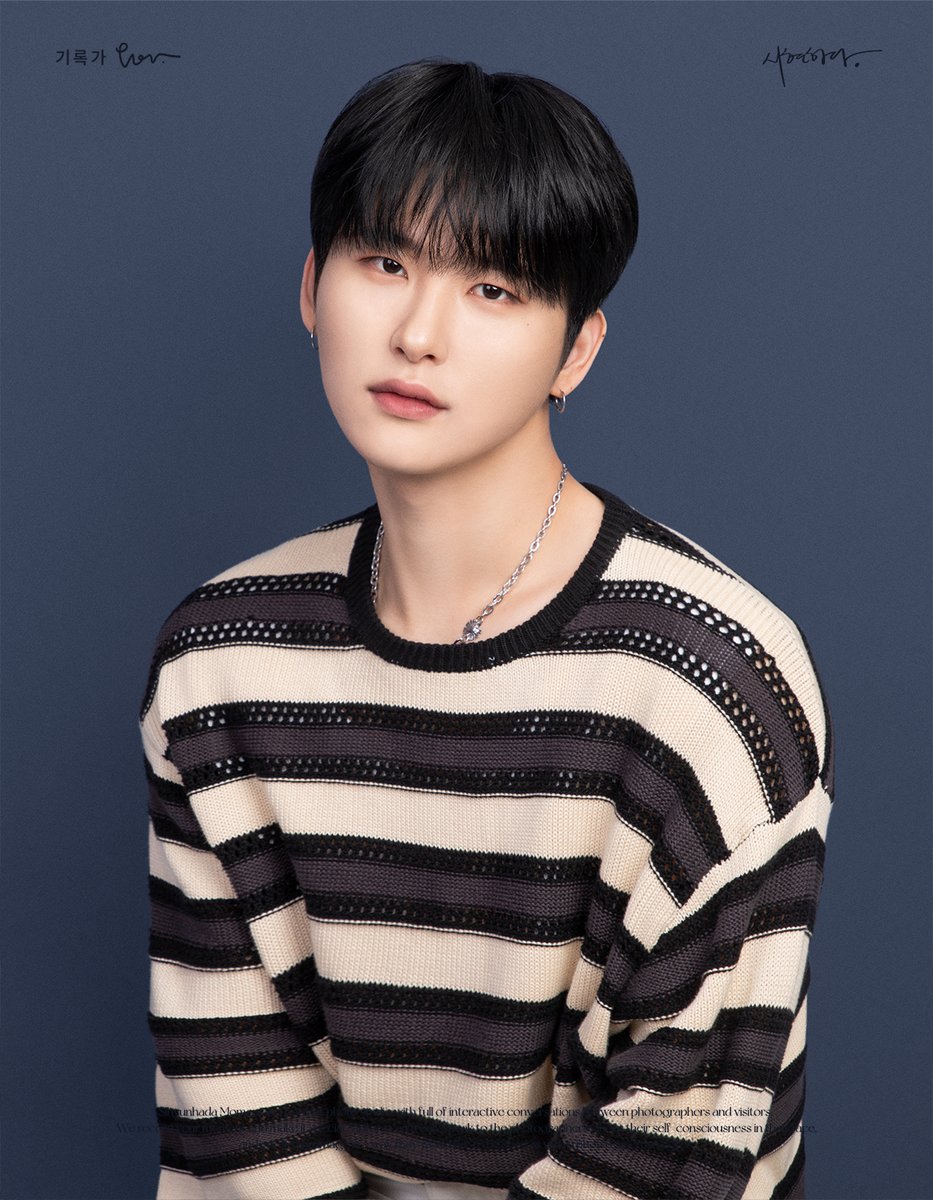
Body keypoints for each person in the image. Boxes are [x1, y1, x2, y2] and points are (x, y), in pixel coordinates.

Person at [140, 60, 834, 1200]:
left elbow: (673, 1147)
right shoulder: (220, 662)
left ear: (576, 352)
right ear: (311, 287)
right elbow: (238, 1124)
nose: (418, 333)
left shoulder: (708, 681)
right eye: (385, 264)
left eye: (494, 289)